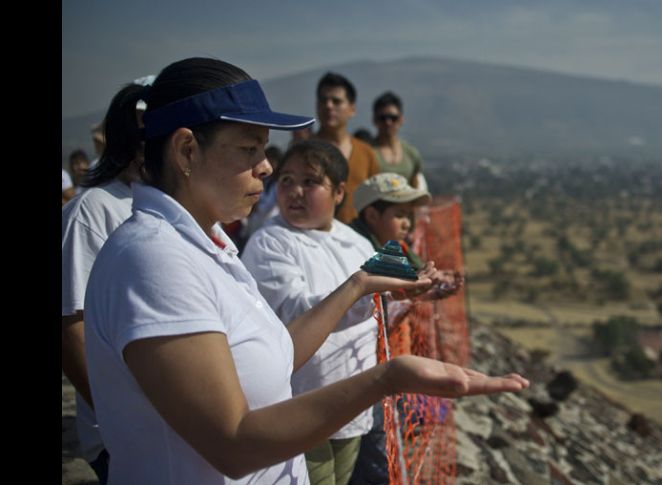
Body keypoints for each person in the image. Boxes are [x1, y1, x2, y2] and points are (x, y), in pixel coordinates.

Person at [83, 57, 529, 485]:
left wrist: (360, 285)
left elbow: (277, 353)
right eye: (249, 148)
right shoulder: (154, 261)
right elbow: (231, 443)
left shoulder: (207, 245)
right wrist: (388, 378)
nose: (267, 166)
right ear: (186, 150)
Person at [241, 139, 426, 484]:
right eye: (286, 180)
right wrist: (362, 292)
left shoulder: (355, 242)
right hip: (300, 402)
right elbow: (293, 311)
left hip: (351, 398)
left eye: (310, 181)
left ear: (339, 192)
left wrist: (410, 296)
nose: (295, 191)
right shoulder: (270, 242)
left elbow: (377, 313)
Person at [348, 172, 464, 484]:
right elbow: (373, 315)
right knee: (376, 463)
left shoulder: (388, 251)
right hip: (365, 378)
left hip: (380, 373)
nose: (408, 224)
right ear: (372, 214)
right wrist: (416, 294)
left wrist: (421, 293)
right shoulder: (360, 254)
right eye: (399, 214)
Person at [62, 80, 148, 484]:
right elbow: (70, 324)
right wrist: (115, 419)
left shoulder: (175, 203)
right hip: (126, 439)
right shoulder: (92, 209)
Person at [313, 72, 379, 224]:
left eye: (336, 101)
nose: (329, 106)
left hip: (359, 240)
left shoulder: (366, 153)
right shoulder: (303, 153)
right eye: (323, 100)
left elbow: (377, 200)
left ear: (352, 109)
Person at [371, 91, 428, 191]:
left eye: (393, 118)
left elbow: (416, 188)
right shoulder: (367, 152)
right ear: (374, 120)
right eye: (383, 118)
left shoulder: (411, 153)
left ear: (401, 119)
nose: (388, 122)